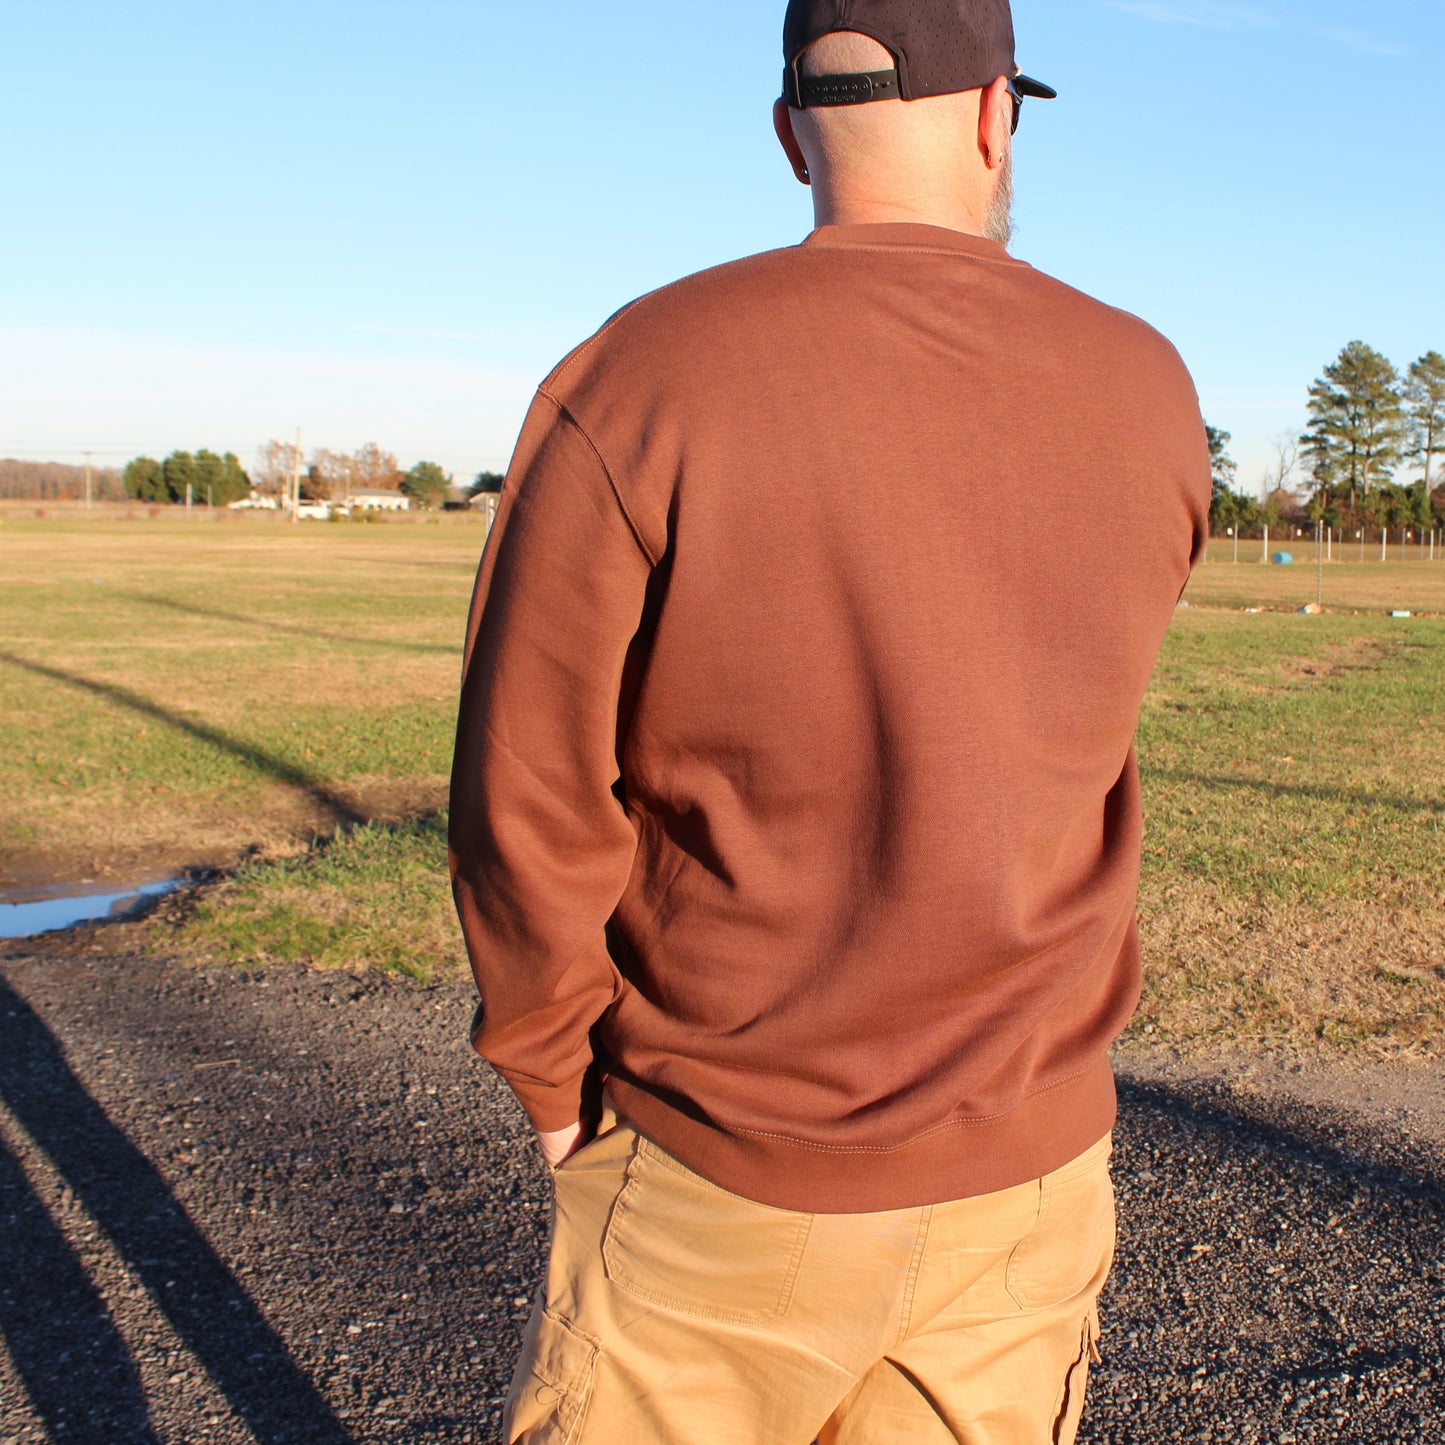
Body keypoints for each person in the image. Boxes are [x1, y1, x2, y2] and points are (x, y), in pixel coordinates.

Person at [448, 0, 1211, 1439]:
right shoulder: (1149, 387)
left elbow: (527, 788)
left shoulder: (636, 374)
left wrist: (552, 1075)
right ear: (997, 113)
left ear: (791, 131)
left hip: (713, 1174)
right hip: (1026, 1178)